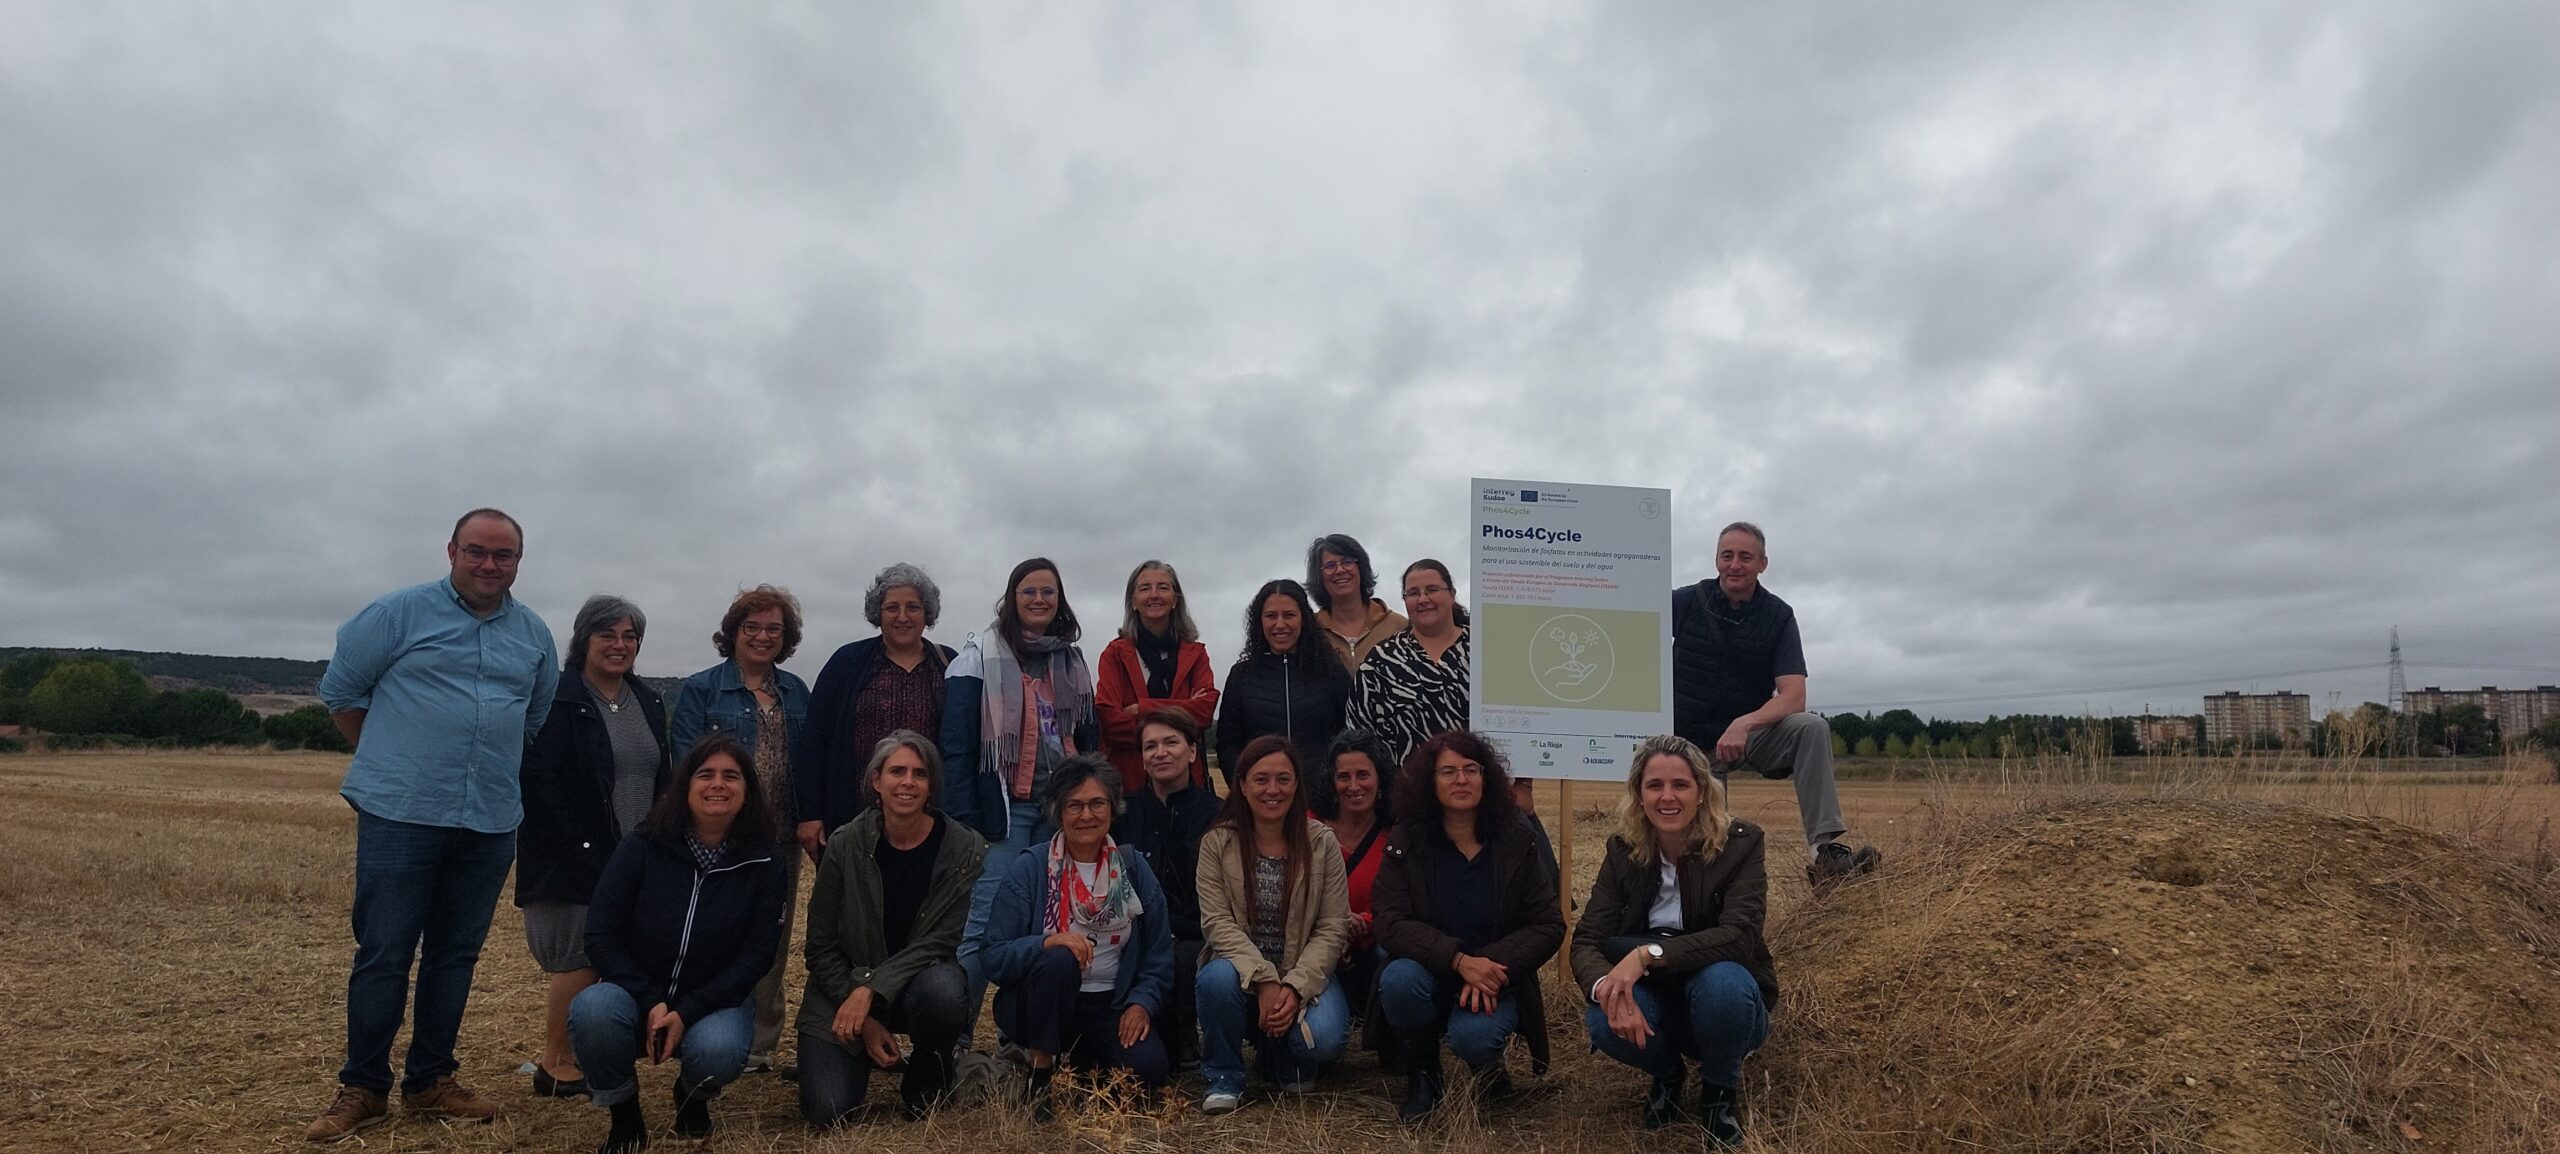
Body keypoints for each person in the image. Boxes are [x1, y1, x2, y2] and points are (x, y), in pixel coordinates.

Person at [306, 508, 559, 1142]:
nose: (489, 565)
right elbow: (341, 693)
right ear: (451, 551)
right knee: (385, 952)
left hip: (489, 818)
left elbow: (533, 719)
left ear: (518, 562)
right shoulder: (396, 614)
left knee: (455, 956)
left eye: (503, 555)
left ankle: (430, 1082)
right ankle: (363, 1088)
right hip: (401, 813)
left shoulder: (534, 634)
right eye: (477, 551)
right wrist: (392, 758)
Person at [569, 735, 789, 1154]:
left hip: (713, 1001)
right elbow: (600, 934)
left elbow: (757, 956)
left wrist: (686, 1011)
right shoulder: (642, 846)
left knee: (719, 1049)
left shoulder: (766, 862)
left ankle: (692, 1097)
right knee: (592, 1010)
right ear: (684, 786)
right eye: (705, 774)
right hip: (635, 993)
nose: (717, 784)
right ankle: (625, 1116)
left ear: (748, 791)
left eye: (731, 776)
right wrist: (651, 998)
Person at [1571, 735, 1775, 1143]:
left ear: (1701, 791)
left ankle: (1718, 1091)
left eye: (1680, 784)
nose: (1667, 797)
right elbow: (1587, 941)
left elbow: (1739, 936)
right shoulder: (1621, 850)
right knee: (1602, 1017)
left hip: (1721, 995)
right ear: (1639, 794)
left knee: (1724, 986)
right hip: (1654, 994)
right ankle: (1667, 1074)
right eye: (1654, 785)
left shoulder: (1741, 843)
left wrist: (1648, 954)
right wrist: (1606, 986)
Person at [515, 595, 671, 1102]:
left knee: (613, 954)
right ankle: (556, 1064)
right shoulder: (556, 699)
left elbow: (661, 778)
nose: (619, 645)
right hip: (568, 854)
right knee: (577, 958)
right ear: (583, 640)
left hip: (633, 852)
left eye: (630, 637)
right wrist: (581, 846)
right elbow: (540, 783)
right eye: (607, 635)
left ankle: (590, 1052)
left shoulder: (646, 700)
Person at [1369, 730, 1563, 1125]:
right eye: (1449, 772)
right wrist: (1458, 960)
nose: (1461, 780)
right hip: (1429, 970)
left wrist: (1489, 965)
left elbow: (1547, 924)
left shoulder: (1516, 839)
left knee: (1474, 1038)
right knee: (1399, 979)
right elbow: (1390, 921)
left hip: (1495, 977)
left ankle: (1487, 1068)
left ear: (1486, 778)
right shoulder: (1407, 839)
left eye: (1471, 770)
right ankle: (1424, 1075)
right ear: (1430, 781)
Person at [1670, 522, 1880, 885]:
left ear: (1762, 564)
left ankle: (1825, 855)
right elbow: (1634, 625)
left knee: (1811, 727)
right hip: (1689, 743)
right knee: (1706, 852)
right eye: (1727, 556)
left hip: (1748, 738)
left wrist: (1744, 723)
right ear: (1716, 560)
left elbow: (1794, 695)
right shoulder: (1685, 602)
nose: (1735, 564)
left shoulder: (1779, 616)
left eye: (1745, 557)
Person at [799, 731, 989, 1126]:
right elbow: (819, 946)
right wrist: (865, 1018)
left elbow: (940, 942)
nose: (908, 782)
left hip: (915, 986)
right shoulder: (845, 843)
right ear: (876, 780)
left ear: (932, 785)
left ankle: (925, 1081)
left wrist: (871, 989)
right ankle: (858, 1055)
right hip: (844, 990)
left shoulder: (961, 847)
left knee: (946, 989)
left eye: (920, 773)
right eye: (897, 771)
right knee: (827, 1111)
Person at [945, 557, 1101, 1027]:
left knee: (1047, 924)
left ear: (1060, 600)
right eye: (1028, 591)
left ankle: (1026, 1034)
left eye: (1048, 592)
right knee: (983, 923)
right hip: (1004, 814)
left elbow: (1087, 738)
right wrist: (967, 819)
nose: (1038, 600)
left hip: (1059, 813)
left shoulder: (1072, 660)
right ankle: (955, 1036)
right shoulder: (977, 657)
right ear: (1012, 598)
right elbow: (956, 746)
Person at [981, 756, 1176, 1117]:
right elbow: (993, 955)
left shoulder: (1133, 868)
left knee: (1148, 1070)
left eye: (1097, 803)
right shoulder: (1032, 867)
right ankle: (1039, 1073)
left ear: (1112, 809)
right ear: (1058, 812)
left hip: (1109, 1004)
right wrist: (1046, 942)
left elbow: (1159, 952)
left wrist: (1141, 1003)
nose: (1086, 815)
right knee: (1059, 958)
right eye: (1074, 805)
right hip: (1044, 1004)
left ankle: (1081, 1066)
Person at [673, 584, 811, 1072]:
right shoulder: (701, 689)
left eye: (774, 629)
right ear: (733, 632)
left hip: (780, 840)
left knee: (771, 941)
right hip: (719, 838)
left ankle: (759, 1045)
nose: (762, 636)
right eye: (752, 627)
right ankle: (705, 1031)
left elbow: (808, 764)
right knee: (715, 937)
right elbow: (685, 765)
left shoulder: (796, 692)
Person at [1193, 736, 1355, 1114]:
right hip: (1239, 971)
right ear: (1242, 784)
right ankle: (1224, 1077)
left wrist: (1295, 987)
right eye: (1261, 779)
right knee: (1214, 979)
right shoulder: (1217, 843)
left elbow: (1333, 926)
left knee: (1324, 1040)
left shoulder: (1322, 842)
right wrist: (1264, 978)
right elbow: (1217, 923)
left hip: (1302, 970)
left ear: (1297, 785)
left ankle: (1278, 1053)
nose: (1273, 789)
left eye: (1283, 779)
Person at [796, 563, 955, 861]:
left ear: (927, 613)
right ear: (877, 613)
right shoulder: (847, 662)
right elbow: (814, 739)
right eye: (892, 608)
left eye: (913, 607)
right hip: (852, 818)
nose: (902, 617)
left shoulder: (949, 664)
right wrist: (810, 813)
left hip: (928, 819)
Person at [1110, 706, 1220, 1069]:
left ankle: (1189, 1040)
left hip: (1197, 931)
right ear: (1141, 758)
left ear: (1192, 751)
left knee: (1183, 956)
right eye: (1150, 746)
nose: (1160, 753)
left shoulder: (1219, 815)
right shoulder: (1122, 815)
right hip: (1135, 930)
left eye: (1171, 743)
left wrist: (1177, 929)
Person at [1095, 560, 1218, 793]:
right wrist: (1183, 712)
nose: (1154, 595)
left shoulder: (1196, 654)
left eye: (1163, 587)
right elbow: (1110, 723)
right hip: (1130, 785)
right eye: (1145, 588)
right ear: (1133, 601)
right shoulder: (1114, 655)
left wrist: (1141, 709)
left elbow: (1203, 714)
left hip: (1188, 785)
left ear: (1175, 599)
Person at [1215, 579, 1351, 782]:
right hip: (1262, 794)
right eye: (1271, 616)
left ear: (1304, 619)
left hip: (1322, 794)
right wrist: (1245, 786)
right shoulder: (1241, 676)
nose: (1280, 625)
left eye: (1289, 615)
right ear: (1260, 621)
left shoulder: (1331, 671)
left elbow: (1348, 735)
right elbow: (1228, 744)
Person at [1347, 559, 1472, 772]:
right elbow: (1358, 738)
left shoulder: (1487, 651)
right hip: (1404, 788)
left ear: (1452, 594)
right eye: (1413, 593)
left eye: (1432, 590)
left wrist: (1522, 783)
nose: (1423, 599)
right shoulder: (1379, 663)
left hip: (1476, 786)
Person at [1310, 729, 1395, 1022]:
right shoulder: (1308, 826)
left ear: (1380, 778)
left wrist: (1363, 923)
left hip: (1374, 946)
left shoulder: (1397, 833)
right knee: (1325, 1038)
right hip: (1315, 949)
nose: (1354, 786)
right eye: (1344, 777)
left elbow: (1404, 903)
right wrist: (1337, 925)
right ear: (1331, 781)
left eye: (1363, 775)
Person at [1307, 534, 1406, 670]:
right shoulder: (1310, 631)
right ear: (1318, 576)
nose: (1340, 570)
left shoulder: (1399, 626)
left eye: (1347, 562)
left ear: (1361, 567)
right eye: (1330, 566)